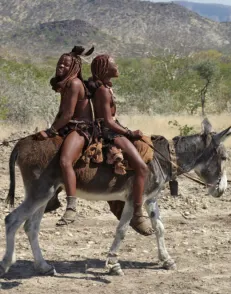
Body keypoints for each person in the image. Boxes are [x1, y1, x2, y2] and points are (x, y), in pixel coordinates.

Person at [87, 54, 151, 232]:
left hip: (111, 130)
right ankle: (137, 213)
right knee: (142, 168)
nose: (117, 67)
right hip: (108, 133)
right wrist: (130, 132)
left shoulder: (104, 88)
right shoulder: (103, 91)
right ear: (105, 69)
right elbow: (108, 121)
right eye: (114, 64)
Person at [36, 46, 94, 226]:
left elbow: (68, 114)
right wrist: (51, 129)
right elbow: (62, 113)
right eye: (60, 62)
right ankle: (52, 198)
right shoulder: (66, 84)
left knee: (65, 160)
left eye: (65, 64)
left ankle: (71, 207)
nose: (60, 65)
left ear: (74, 67)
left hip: (80, 129)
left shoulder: (74, 84)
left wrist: (51, 131)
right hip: (68, 127)